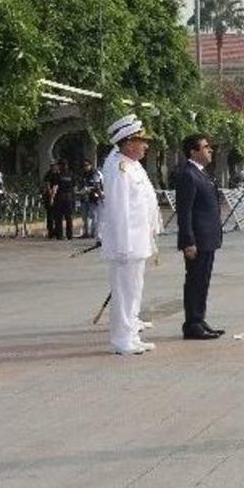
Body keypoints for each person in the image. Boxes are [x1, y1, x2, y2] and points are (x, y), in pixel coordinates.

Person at [98, 114, 162, 355]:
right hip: (126, 243)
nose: (146, 145)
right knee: (124, 292)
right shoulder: (118, 167)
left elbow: (146, 203)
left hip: (138, 241)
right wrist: (124, 245)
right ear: (128, 142)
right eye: (141, 141)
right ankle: (121, 338)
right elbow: (119, 209)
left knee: (133, 289)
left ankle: (131, 334)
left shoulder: (132, 165)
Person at [174, 134, 225, 341]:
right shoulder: (188, 174)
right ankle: (192, 323)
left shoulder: (201, 173)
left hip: (208, 238)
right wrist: (188, 241)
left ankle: (199, 319)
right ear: (193, 151)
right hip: (198, 239)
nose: (210, 150)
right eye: (205, 147)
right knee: (195, 281)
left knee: (202, 281)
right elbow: (184, 211)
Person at [51, 158, 76, 239]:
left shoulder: (57, 174)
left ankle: (60, 235)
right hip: (69, 197)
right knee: (69, 217)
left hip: (60, 197)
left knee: (59, 217)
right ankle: (70, 235)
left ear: (59, 165)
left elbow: (55, 187)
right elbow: (74, 187)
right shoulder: (71, 174)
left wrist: (52, 197)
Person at [79, 159, 103, 239]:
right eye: (84, 166)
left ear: (90, 165)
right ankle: (86, 233)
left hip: (93, 198)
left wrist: (89, 189)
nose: (85, 167)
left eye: (87, 165)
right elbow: (80, 184)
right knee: (84, 216)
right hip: (84, 198)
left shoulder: (95, 174)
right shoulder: (83, 174)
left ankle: (93, 233)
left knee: (93, 216)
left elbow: (97, 185)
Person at [42, 161, 59, 238]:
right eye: (52, 165)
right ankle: (51, 231)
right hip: (50, 196)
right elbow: (47, 185)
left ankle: (56, 230)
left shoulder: (58, 174)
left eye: (54, 165)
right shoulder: (48, 174)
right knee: (50, 215)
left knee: (56, 215)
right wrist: (51, 196)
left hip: (58, 196)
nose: (53, 167)